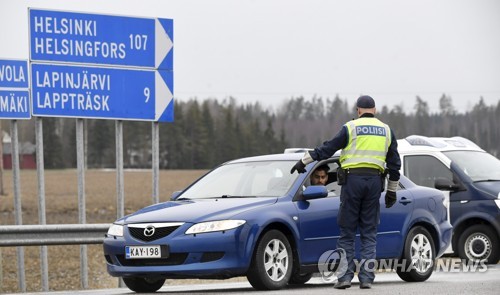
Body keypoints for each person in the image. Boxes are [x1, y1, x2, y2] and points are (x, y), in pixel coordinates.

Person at [290, 95, 401, 289]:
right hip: (374, 182)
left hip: (352, 183)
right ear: (375, 110)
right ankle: (366, 279)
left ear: (358, 110)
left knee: (347, 231)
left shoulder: (350, 128)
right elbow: (394, 165)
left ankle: (345, 278)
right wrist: (391, 191)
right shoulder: (386, 130)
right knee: (369, 232)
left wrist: (304, 161)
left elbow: (327, 148)